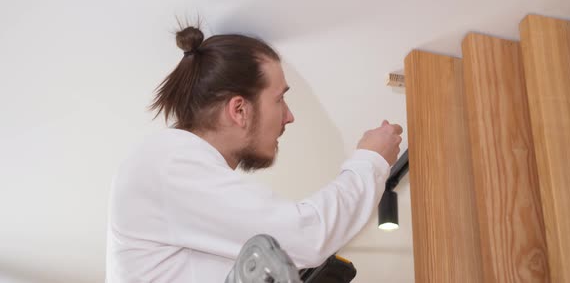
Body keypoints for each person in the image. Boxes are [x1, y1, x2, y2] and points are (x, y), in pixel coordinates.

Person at [105, 26, 403, 282]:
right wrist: (370, 160)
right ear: (239, 110)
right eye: (280, 99)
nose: (289, 116)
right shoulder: (167, 165)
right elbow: (306, 236)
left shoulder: (172, 170)